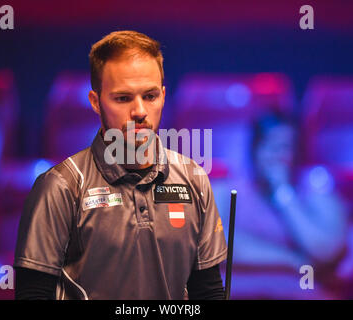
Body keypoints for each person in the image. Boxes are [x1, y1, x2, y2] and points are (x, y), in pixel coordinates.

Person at [14, 30, 227, 300]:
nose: (139, 111)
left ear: (163, 96)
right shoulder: (60, 187)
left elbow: (207, 292)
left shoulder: (194, 180)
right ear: (95, 102)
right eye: (123, 98)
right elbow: (32, 294)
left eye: (150, 96)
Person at [228, 110, 353, 299]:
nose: (277, 156)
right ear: (254, 151)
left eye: (285, 148)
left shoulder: (315, 188)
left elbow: (325, 250)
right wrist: (290, 260)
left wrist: (284, 194)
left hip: (299, 291)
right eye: (270, 147)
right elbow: (215, 245)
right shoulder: (229, 191)